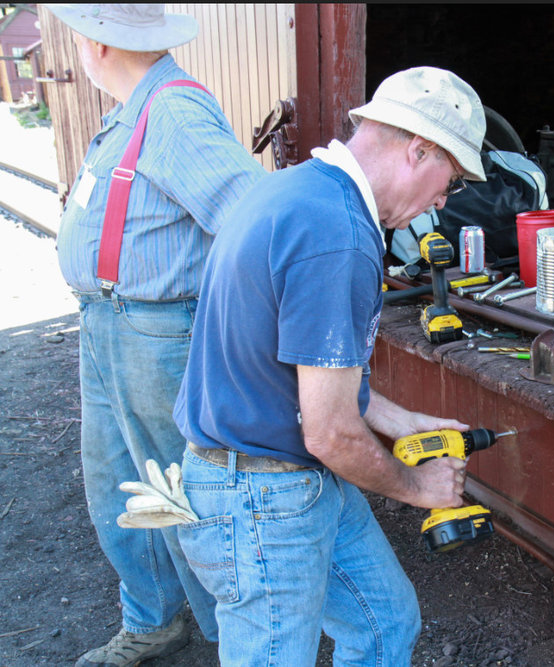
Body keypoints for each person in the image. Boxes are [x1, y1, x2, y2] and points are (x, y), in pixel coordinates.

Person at [172, 65, 486, 665]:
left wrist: (399, 419)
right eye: (452, 179)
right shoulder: (337, 234)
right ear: (419, 150)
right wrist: (420, 489)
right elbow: (331, 432)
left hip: (279, 474)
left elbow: (297, 371)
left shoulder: (294, 189)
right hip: (261, 496)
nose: (444, 200)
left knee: (384, 622)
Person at [45, 4, 267, 666]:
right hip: (109, 326)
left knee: (185, 490)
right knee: (121, 483)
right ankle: (154, 618)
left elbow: (250, 222)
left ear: (95, 43)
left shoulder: (173, 112)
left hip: (156, 332)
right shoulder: (134, 110)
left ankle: (246, 634)